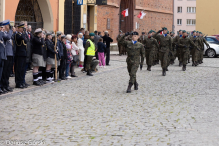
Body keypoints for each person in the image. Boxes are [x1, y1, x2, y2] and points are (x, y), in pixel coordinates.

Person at [1, 20, 14, 93]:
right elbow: (8, 37)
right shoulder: (4, 33)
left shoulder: (8, 33)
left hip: (10, 54)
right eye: (9, 26)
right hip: (6, 54)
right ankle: (3, 85)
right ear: (6, 26)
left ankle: (6, 85)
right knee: (4, 71)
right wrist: (11, 30)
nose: (9, 27)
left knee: (8, 71)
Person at [14, 23, 28, 88]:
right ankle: (18, 82)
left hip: (24, 54)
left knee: (22, 69)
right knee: (18, 69)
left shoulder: (23, 35)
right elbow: (20, 39)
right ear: (19, 28)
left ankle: (22, 81)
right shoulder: (17, 35)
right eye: (22, 28)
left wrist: (24, 34)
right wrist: (23, 33)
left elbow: (26, 41)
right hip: (19, 54)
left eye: (23, 28)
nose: (23, 29)